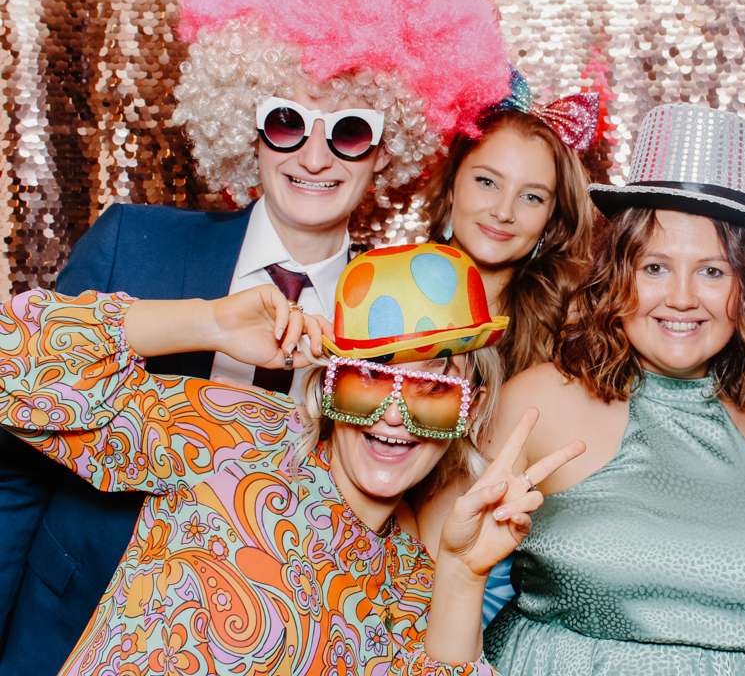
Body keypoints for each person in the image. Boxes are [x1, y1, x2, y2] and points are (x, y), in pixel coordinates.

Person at [0, 0, 510, 670]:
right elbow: (19, 430)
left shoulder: (392, 309)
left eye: (348, 130)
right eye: (286, 121)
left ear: (388, 144)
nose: (313, 155)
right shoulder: (147, 261)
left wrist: (461, 575)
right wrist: (205, 319)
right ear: (247, 121)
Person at [0, 244, 581, 675]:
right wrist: (208, 322)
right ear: (327, 385)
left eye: (432, 393)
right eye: (369, 382)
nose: (394, 417)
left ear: (470, 412)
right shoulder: (240, 436)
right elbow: (13, 361)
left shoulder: (412, 574)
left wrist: (462, 575)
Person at [481, 103, 745, 674]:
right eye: (654, 267)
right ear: (617, 275)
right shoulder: (540, 399)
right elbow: (433, 568)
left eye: (712, 270)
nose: (680, 298)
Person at [412, 67, 598, 624]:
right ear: (450, 188)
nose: (503, 211)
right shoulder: (383, 295)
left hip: (506, 599)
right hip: (377, 577)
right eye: (487, 181)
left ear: (549, 219)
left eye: (532, 196)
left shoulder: (573, 332)